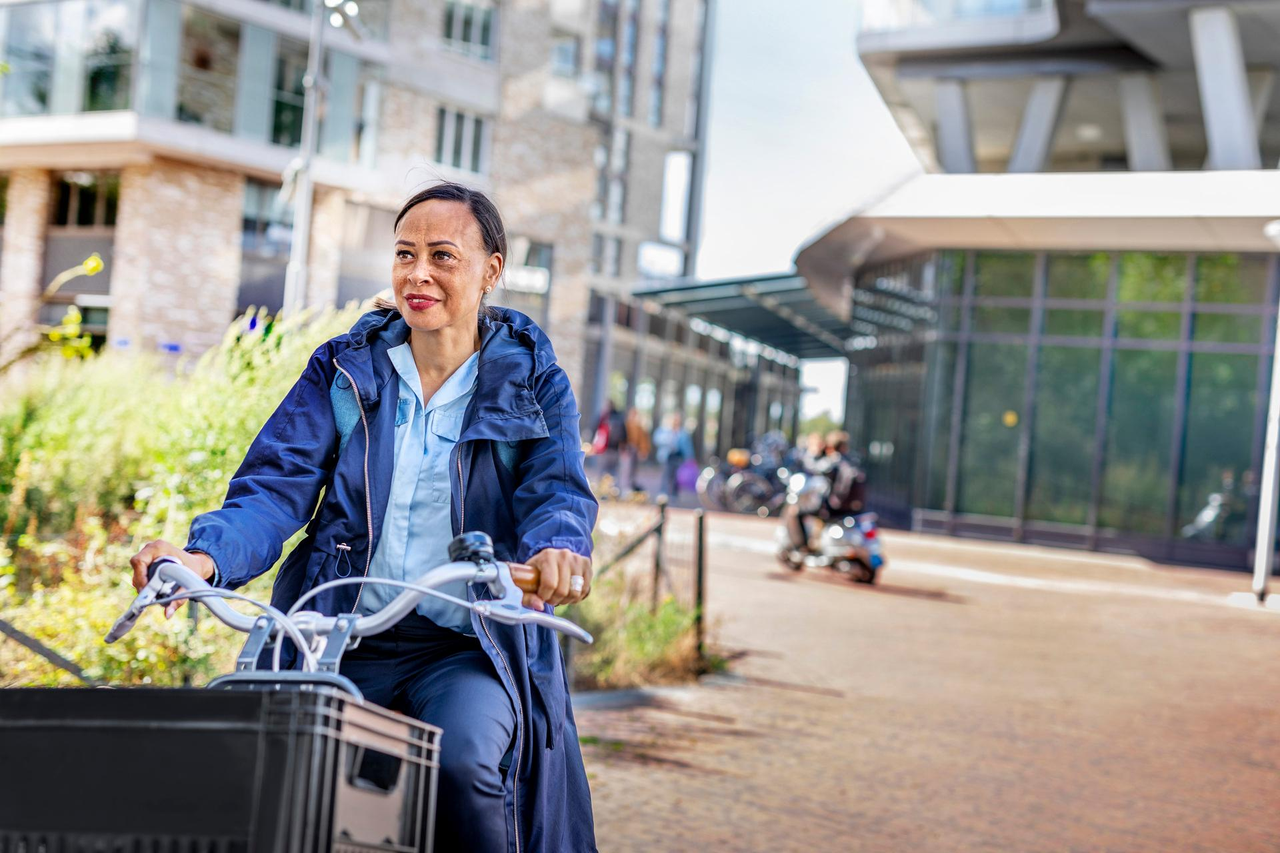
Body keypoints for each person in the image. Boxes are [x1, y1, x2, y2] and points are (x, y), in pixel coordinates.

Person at [128, 182, 599, 853]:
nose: (419, 273)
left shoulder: (530, 381)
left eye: (442, 256)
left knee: (465, 764)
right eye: (406, 254)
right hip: (343, 635)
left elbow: (557, 489)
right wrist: (205, 557)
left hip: (466, 648)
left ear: (492, 269)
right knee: (270, 775)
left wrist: (557, 547)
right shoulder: (346, 370)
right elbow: (274, 485)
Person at [653, 411, 695, 498]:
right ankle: (663, 492)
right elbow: (657, 439)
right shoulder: (664, 430)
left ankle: (673, 493)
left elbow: (687, 446)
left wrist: (690, 457)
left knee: (676, 476)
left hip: (678, 456)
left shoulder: (682, 432)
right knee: (667, 474)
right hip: (668, 456)